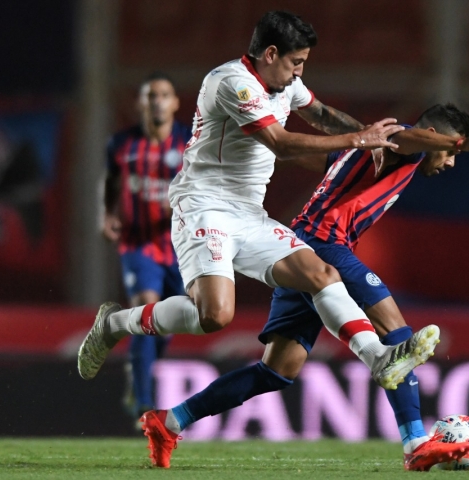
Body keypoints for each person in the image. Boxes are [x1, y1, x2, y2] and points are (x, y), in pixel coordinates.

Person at [78, 8, 440, 446]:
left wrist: (369, 133)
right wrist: (355, 142)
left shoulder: (286, 82)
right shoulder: (231, 82)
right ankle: (116, 323)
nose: (300, 71)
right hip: (203, 207)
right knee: (214, 316)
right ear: (270, 54)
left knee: (320, 274)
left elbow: (320, 113)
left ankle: (379, 359)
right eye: (296, 62)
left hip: (248, 213)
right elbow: (280, 143)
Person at [139, 104, 469, 470]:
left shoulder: (372, 147)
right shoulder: (397, 141)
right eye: (451, 153)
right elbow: (408, 139)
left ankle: (169, 421)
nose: (451, 162)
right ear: (436, 137)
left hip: (300, 247)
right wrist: (464, 142)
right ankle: (415, 443)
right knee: (397, 334)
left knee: (276, 371)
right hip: (326, 243)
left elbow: (318, 157)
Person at [101, 72, 190, 422]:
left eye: (164, 94)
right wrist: (107, 214)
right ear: (141, 102)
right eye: (150, 95)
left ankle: (139, 371)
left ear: (175, 102)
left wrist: (183, 201)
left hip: (181, 245)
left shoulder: (188, 141)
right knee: (145, 309)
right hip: (138, 243)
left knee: (170, 322)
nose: (157, 101)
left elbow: (207, 181)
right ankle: (142, 402)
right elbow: (109, 182)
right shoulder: (122, 143)